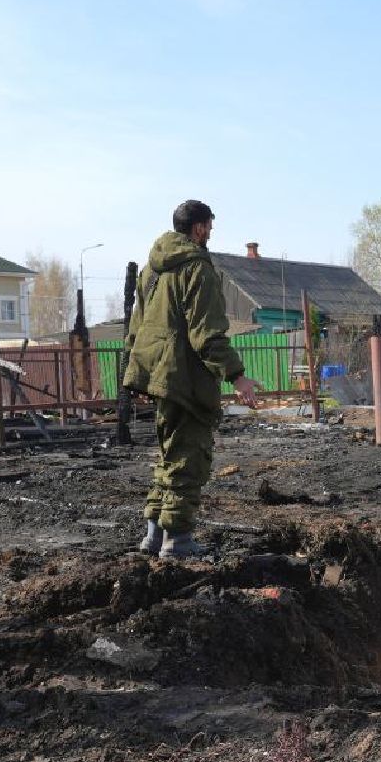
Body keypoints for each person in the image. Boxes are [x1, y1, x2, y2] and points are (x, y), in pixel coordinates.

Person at [123, 199, 257, 558]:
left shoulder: (151, 270)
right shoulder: (197, 268)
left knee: (168, 454)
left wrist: (137, 377)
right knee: (189, 456)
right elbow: (207, 335)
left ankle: (154, 535)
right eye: (210, 226)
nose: (211, 232)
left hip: (158, 375)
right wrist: (238, 376)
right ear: (198, 228)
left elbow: (136, 330)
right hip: (184, 376)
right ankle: (178, 540)